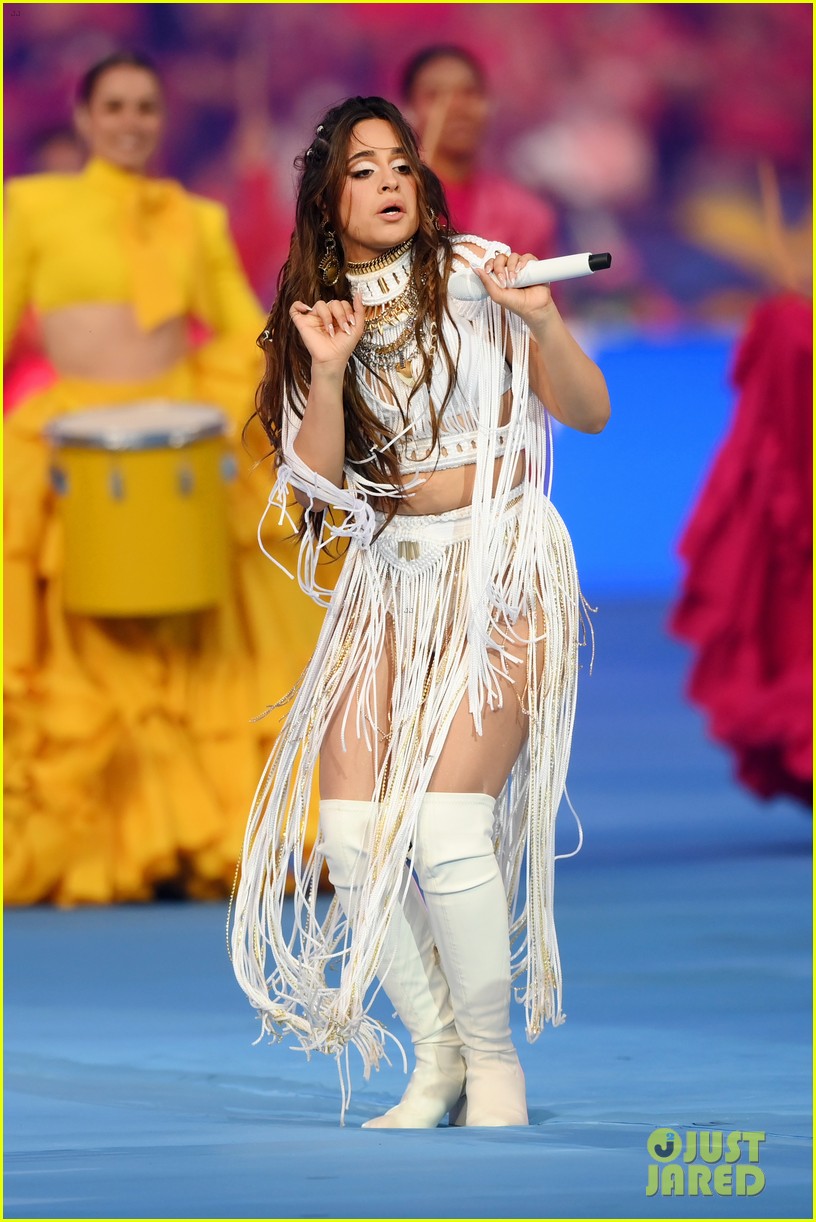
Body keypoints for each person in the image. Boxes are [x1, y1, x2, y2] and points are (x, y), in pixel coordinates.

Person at [230, 95, 610, 1129]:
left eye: (401, 164)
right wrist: (325, 367)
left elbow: (588, 410)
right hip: (390, 575)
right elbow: (314, 492)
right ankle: (436, 1057)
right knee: (349, 837)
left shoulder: (481, 271)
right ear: (327, 198)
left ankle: (497, 1070)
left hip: (500, 557)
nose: (392, 182)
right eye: (364, 169)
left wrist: (538, 319)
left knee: (448, 823)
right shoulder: (316, 316)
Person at [3, 52, 326, 906]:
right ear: (84, 117)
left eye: (145, 107)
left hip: (184, 435)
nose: (131, 122)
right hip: (69, 440)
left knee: (233, 632)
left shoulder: (197, 219)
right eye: (113, 106)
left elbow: (238, 332)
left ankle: (224, 834)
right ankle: (101, 843)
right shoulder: (29, 207)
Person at [400, 45, 558, 260]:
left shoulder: (525, 215)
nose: (457, 107)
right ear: (407, 111)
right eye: (435, 95)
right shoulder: (389, 202)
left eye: (470, 92)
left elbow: (543, 292)